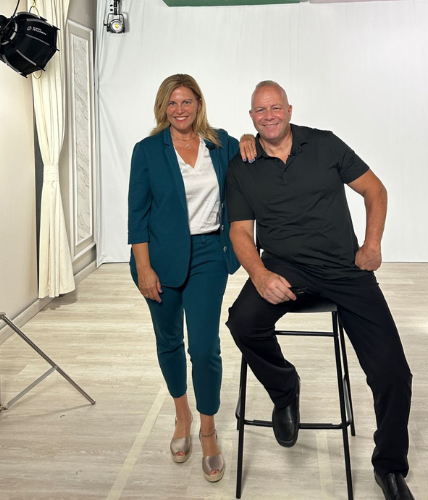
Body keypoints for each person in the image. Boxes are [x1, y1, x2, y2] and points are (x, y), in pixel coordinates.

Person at [226, 81, 415, 500]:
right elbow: (240, 231)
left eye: (276, 108)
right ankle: (285, 390)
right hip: (284, 266)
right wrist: (259, 275)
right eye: (260, 110)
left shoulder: (325, 144)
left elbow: (374, 189)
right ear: (251, 117)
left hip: (343, 268)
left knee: (393, 373)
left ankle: (389, 468)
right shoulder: (243, 164)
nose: (269, 116)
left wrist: (372, 244)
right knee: (242, 322)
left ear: (289, 110)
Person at [128, 74, 255, 482]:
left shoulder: (221, 144)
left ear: (199, 104)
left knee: (203, 348)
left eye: (186, 101)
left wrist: (249, 136)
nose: (179, 109)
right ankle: (182, 415)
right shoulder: (147, 150)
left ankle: (208, 428)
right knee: (169, 341)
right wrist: (144, 268)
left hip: (208, 256)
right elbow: (137, 216)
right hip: (158, 259)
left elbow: (251, 153)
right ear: (162, 108)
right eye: (172, 103)